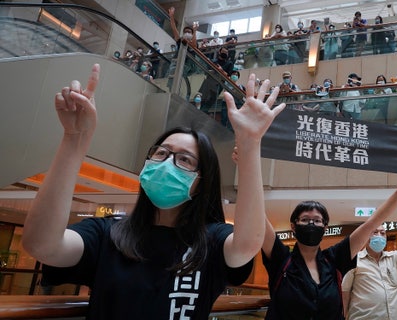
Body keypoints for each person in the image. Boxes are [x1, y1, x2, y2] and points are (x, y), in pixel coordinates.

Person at [21, 64, 286, 319]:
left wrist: (250, 144)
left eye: (184, 160)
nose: (168, 163)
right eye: (161, 153)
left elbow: (248, 244)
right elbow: (41, 245)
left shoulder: (212, 240)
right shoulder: (107, 234)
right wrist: (74, 138)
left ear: (200, 183)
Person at [261, 161, 397, 320]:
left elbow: (373, 222)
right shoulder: (281, 260)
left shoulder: (334, 259)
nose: (311, 224)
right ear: (293, 226)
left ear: (325, 227)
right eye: (304, 220)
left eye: (317, 220)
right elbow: (256, 216)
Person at [342, 197, 397, 320]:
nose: (379, 236)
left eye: (382, 233)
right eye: (374, 232)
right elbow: (345, 293)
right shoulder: (354, 260)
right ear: (366, 236)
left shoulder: (395, 259)